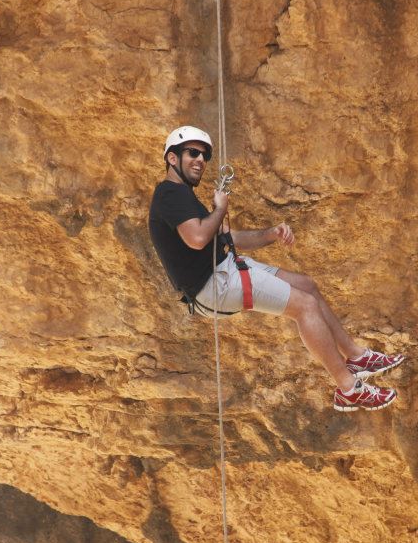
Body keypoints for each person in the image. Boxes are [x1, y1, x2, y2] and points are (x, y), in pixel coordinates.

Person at [148, 126, 403, 411]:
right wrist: (219, 208)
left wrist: (270, 234)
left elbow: (223, 239)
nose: (200, 161)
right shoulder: (170, 194)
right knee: (304, 306)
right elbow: (197, 239)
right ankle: (348, 388)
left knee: (306, 285)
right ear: (172, 159)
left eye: (204, 155)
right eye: (192, 153)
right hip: (214, 284)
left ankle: (356, 356)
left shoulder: (181, 197)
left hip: (223, 270)